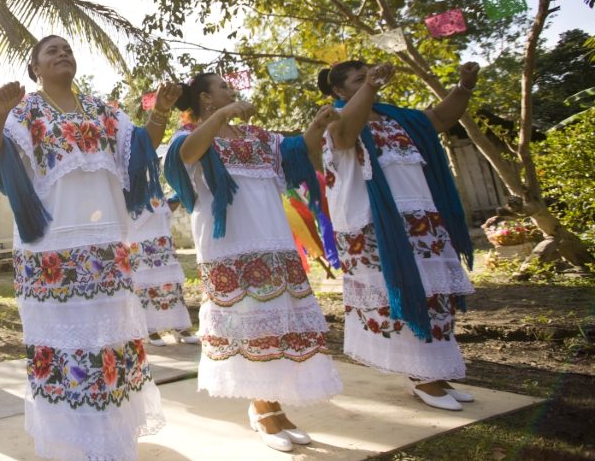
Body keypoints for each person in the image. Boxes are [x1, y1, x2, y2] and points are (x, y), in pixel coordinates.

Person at [0, 34, 179, 461]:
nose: (62, 54)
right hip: (51, 251)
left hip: (106, 249)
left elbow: (141, 149)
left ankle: (112, 446)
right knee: (66, 351)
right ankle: (73, 450)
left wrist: (160, 110)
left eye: (67, 49)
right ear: (34, 68)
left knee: (109, 348)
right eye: (52, 51)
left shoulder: (102, 109)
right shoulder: (25, 111)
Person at [162, 73, 343, 452]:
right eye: (222, 89)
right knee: (250, 327)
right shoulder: (189, 138)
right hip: (232, 246)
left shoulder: (257, 136)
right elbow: (186, 156)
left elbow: (295, 153)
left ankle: (275, 406)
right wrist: (224, 115)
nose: (231, 91)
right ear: (205, 100)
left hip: (273, 243)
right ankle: (262, 407)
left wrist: (316, 126)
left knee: (279, 324)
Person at [318, 60, 478, 411]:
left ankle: (436, 370)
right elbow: (346, 137)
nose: (369, 82)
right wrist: (371, 88)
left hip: (422, 219)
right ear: (340, 92)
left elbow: (438, 119)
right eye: (359, 80)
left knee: (437, 296)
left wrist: (464, 86)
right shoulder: (337, 120)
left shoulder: (396, 118)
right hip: (376, 226)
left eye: (370, 77)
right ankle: (423, 378)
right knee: (406, 296)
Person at [129, 194, 198, 347]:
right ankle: (150, 329)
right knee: (143, 281)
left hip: (155, 205)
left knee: (169, 281)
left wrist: (178, 194)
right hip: (131, 206)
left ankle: (179, 326)